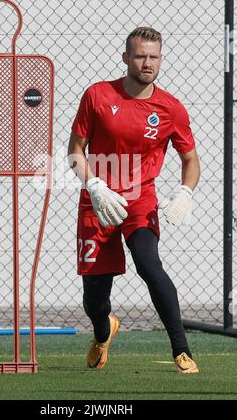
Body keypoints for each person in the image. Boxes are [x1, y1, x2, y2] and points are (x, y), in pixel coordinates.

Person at [67, 27, 201, 374]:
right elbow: (75, 151)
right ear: (126, 57)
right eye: (140, 56)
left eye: (153, 56)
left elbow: (191, 159)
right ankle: (103, 331)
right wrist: (94, 186)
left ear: (160, 59)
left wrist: (185, 192)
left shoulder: (170, 108)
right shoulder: (97, 95)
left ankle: (182, 351)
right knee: (94, 300)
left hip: (140, 200)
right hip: (98, 202)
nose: (147, 63)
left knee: (148, 263)